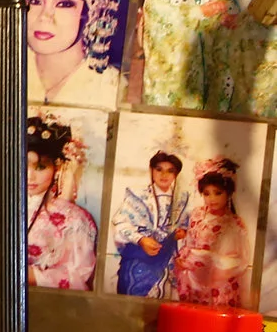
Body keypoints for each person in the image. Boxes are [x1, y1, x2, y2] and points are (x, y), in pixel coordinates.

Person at [7, 0, 125, 108]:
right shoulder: (5, 71)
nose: (45, 17)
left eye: (64, 4)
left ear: (91, 14)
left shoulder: (111, 90)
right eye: (35, 0)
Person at [25, 115, 97, 291]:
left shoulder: (73, 219)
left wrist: (33, 276)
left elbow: (78, 274)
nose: (29, 176)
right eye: (22, 165)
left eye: (40, 167)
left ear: (56, 167)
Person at [172, 157, 251, 307]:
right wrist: (183, 259)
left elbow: (241, 261)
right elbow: (188, 243)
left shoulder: (234, 224)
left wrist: (212, 262)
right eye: (207, 194)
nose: (212, 199)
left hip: (219, 287)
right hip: (193, 283)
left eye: (217, 193)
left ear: (228, 193)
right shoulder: (196, 214)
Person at [113, 150, 190, 298]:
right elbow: (121, 224)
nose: (164, 175)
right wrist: (141, 240)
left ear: (176, 174)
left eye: (170, 171)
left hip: (168, 262)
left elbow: (187, 227)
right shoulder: (137, 195)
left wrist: (181, 234)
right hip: (139, 259)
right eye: (159, 169)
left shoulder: (183, 199)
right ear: (151, 170)